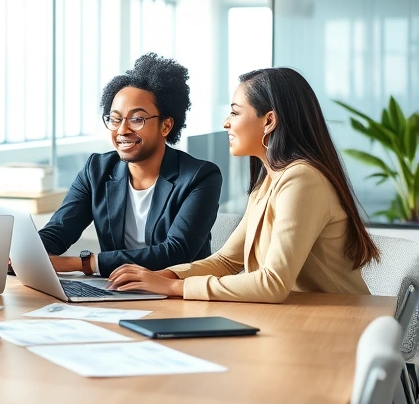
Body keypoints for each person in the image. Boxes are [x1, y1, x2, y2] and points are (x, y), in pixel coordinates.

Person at [108, 67, 379, 303]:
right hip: (298, 317)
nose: (226, 122)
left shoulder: (302, 179)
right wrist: (161, 276)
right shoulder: (269, 181)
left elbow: (272, 283)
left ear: (269, 120)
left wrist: (174, 286)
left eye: (235, 113)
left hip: (341, 324)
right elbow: (227, 260)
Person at [38, 53, 222, 277]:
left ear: (165, 126)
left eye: (137, 119)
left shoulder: (200, 177)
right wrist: (27, 254)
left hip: (175, 294)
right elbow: (59, 230)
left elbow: (177, 251)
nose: (122, 130)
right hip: (115, 292)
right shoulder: (96, 170)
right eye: (115, 119)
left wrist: (83, 264)